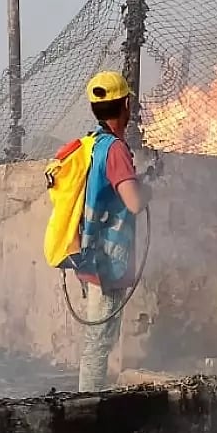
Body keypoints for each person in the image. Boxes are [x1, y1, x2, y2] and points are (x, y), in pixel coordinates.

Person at [75, 70, 150, 392]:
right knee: (98, 343)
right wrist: (147, 191)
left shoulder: (91, 143)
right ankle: (87, 407)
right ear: (126, 105)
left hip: (90, 253)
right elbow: (134, 202)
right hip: (107, 261)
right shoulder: (115, 149)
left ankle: (89, 402)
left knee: (98, 339)